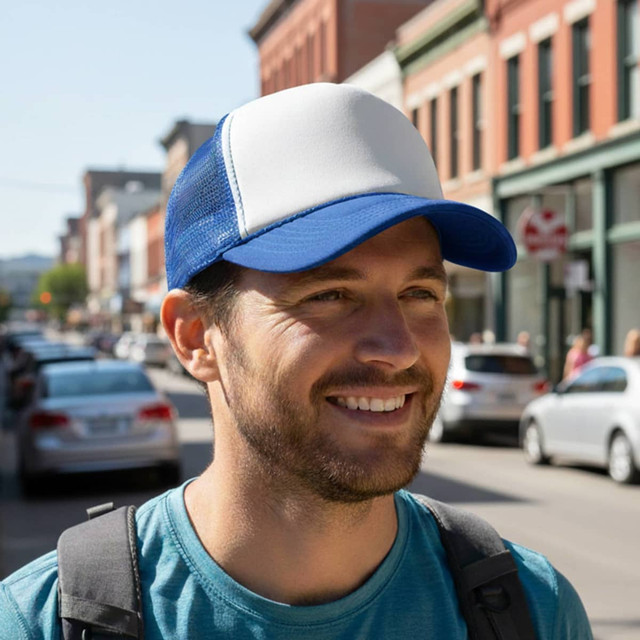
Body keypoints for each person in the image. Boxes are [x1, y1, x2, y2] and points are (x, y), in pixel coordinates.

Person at [0, 84, 592, 639]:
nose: (399, 346)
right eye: (329, 295)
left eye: (420, 294)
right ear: (195, 336)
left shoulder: (533, 609)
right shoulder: (46, 620)